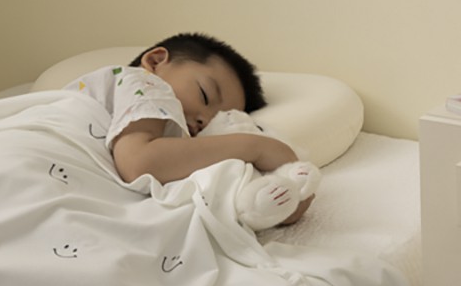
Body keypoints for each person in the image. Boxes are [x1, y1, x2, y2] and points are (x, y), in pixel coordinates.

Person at [64, 32, 313, 225]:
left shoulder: (172, 148)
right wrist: (255, 146)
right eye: (205, 95)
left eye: (217, 120)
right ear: (156, 61)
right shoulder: (143, 82)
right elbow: (138, 164)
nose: (205, 121)